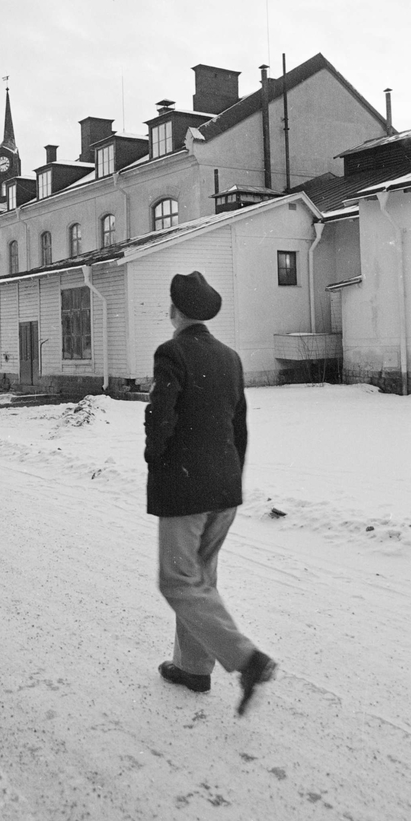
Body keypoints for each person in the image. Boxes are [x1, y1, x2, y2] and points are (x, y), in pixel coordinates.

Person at [144, 271, 276, 717]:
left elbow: (161, 418)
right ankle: (194, 667)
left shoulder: (172, 352)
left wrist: (156, 461)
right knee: (200, 578)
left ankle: (245, 659)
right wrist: (231, 475)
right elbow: (238, 425)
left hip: (187, 488)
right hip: (224, 486)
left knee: (178, 580)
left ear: (175, 312)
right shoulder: (230, 357)